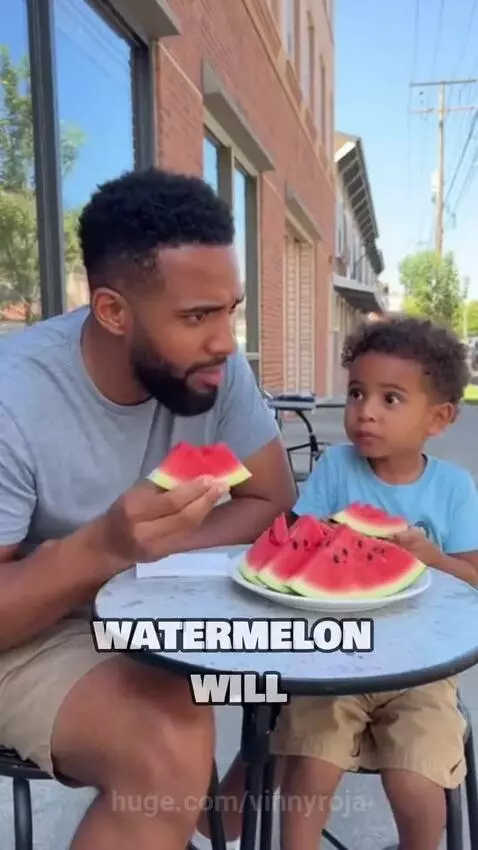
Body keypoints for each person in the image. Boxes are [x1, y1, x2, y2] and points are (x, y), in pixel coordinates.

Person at [0, 167, 297, 850]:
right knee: (166, 748)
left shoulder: (218, 365)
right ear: (112, 311)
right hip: (31, 631)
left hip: (150, 609)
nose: (225, 339)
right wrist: (105, 548)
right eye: (197, 316)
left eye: (232, 309)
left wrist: (149, 557)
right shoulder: (14, 401)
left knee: (303, 684)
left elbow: (270, 497)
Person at [195, 315, 478, 850]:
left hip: (420, 670)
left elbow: (472, 579)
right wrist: (324, 537)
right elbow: (296, 542)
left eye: (390, 399)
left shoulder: (454, 490)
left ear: (438, 417)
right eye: (355, 393)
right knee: (309, 772)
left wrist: (428, 555)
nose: (365, 412)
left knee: (417, 782)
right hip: (329, 663)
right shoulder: (336, 470)